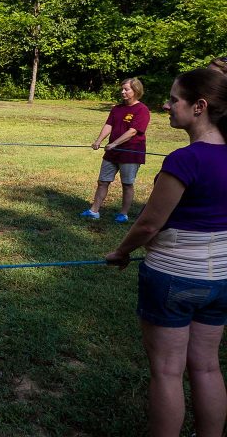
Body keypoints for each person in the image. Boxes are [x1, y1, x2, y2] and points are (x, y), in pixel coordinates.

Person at [106, 68, 227, 437]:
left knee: (167, 371)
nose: (167, 105)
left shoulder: (184, 160)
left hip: (173, 279)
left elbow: (148, 224)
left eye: (174, 99)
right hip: (220, 280)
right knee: (206, 366)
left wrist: (121, 252)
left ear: (199, 106)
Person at [80, 78, 150, 223]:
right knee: (103, 181)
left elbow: (133, 132)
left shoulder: (142, 110)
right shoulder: (117, 109)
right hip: (112, 152)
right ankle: (94, 211)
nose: (122, 92)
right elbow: (108, 125)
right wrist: (98, 141)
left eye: (126, 89)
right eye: (122, 89)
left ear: (136, 91)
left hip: (131, 152)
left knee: (127, 183)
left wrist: (115, 143)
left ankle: (123, 214)